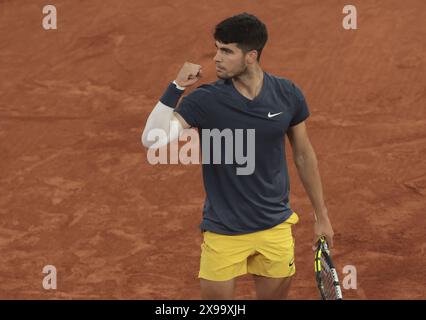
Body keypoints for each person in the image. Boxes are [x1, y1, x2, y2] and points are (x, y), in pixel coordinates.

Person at [141, 12, 335, 300]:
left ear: (251, 56)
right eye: (217, 48)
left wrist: (322, 216)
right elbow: (152, 139)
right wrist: (176, 87)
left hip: (275, 227)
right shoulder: (205, 100)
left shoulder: (288, 94)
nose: (217, 58)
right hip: (223, 231)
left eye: (227, 51)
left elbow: (304, 155)